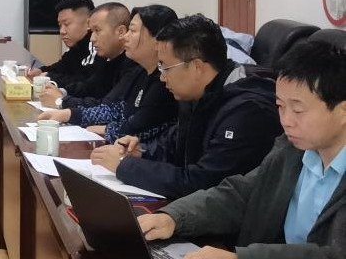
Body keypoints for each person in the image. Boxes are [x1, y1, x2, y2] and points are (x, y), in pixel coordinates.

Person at [137, 41, 346, 259]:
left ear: (342, 111)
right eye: (280, 106)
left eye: (298, 110)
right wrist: (174, 217)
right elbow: (242, 194)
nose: (286, 120)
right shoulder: (293, 150)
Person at [91, 15, 283, 198]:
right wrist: (141, 151)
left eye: (165, 67)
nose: (162, 77)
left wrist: (125, 166)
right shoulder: (199, 93)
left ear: (196, 67)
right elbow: (173, 145)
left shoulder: (248, 111)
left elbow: (203, 182)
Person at [38, 5, 178, 143]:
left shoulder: (165, 81)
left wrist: (107, 129)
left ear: (158, 39)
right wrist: (69, 114)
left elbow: (139, 127)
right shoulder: (140, 71)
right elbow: (114, 109)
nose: (126, 37)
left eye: (132, 31)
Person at [39, 2, 137, 108]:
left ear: (121, 32)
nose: (92, 38)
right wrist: (61, 92)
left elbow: (107, 106)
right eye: (91, 31)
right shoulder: (108, 58)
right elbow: (88, 87)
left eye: (97, 30)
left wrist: (61, 101)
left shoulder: (133, 64)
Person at [25, 0, 102, 87]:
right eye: (60, 25)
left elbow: (86, 82)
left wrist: (49, 77)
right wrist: (41, 71)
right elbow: (61, 67)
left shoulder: (96, 45)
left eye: (67, 24)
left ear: (88, 23)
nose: (62, 31)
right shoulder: (76, 45)